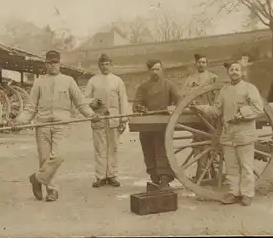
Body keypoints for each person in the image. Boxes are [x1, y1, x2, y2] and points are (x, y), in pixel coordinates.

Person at [12, 50, 99, 202]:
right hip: (42, 125)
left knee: (58, 156)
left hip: (61, 125)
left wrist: (91, 115)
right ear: (46, 64)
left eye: (56, 62)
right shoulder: (39, 82)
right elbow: (31, 107)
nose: (53, 65)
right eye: (50, 62)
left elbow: (80, 102)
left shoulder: (68, 81)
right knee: (45, 159)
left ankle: (37, 179)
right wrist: (19, 121)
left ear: (60, 64)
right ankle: (51, 190)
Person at [192, 61, 264, 206]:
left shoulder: (250, 88)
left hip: (244, 133)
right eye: (232, 70)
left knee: (246, 166)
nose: (234, 72)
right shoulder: (224, 90)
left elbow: (258, 108)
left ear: (242, 72)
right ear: (228, 73)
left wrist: (242, 113)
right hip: (228, 134)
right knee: (231, 167)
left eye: (237, 69)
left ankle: (247, 194)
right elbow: (216, 111)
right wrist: (200, 107)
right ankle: (233, 193)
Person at [132, 59, 181, 191]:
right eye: (152, 70)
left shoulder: (169, 85)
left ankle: (165, 181)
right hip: (146, 125)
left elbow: (180, 102)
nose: (155, 72)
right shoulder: (143, 87)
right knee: (149, 152)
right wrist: (139, 108)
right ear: (149, 71)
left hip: (163, 125)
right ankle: (154, 179)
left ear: (162, 70)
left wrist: (172, 107)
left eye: (157, 69)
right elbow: (136, 104)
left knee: (162, 151)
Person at [84, 53, 130, 188]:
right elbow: (84, 99)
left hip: (114, 117)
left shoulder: (117, 81)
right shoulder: (93, 80)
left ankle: (112, 175)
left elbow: (123, 101)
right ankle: (100, 176)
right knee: (100, 148)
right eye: (102, 64)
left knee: (113, 148)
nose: (105, 67)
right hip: (98, 117)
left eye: (107, 64)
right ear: (99, 65)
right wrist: (93, 103)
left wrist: (123, 119)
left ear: (111, 65)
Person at [181, 54, 218, 181]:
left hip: (210, 116)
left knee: (214, 146)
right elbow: (184, 95)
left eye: (203, 62)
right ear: (195, 64)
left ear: (207, 64)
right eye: (199, 62)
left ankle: (214, 174)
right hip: (196, 116)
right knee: (198, 145)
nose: (201, 64)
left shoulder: (213, 78)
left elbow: (219, 96)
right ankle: (202, 173)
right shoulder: (190, 79)